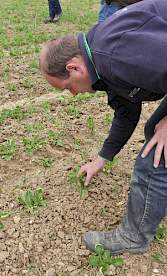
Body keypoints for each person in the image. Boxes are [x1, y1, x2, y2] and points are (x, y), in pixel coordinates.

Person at [39, 0, 167, 255]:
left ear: (73, 67)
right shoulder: (101, 63)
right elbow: (126, 111)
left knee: (156, 152)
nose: (73, 94)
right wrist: (101, 159)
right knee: (156, 132)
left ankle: (134, 237)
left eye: (68, 87)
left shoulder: (114, 54)